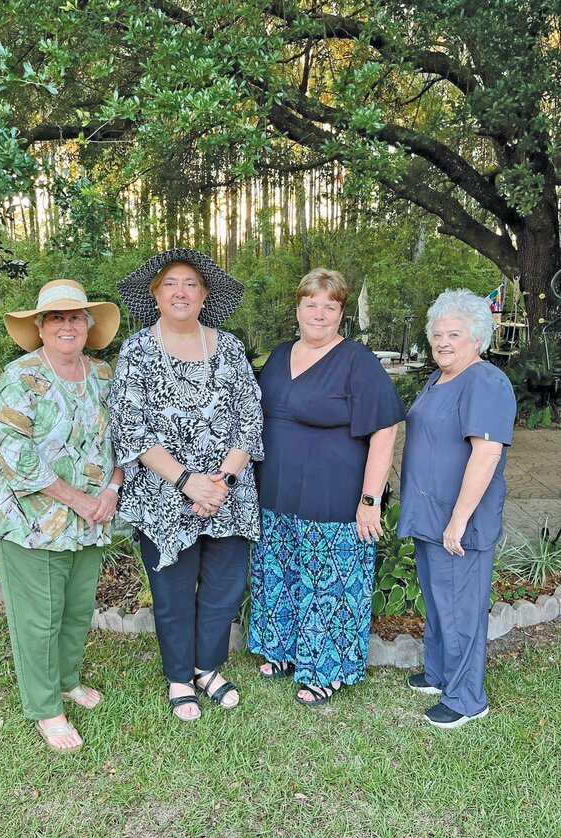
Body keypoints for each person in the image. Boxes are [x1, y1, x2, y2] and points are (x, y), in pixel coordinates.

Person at [110, 248, 263, 722]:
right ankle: (179, 676)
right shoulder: (137, 350)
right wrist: (187, 482)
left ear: (204, 296)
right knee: (173, 590)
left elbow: (250, 417)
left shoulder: (231, 348)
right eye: (170, 283)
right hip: (164, 495)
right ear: (155, 295)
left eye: (191, 284)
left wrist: (223, 481)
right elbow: (129, 427)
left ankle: (207, 667)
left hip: (228, 494)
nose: (181, 291)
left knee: (223, 587)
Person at [249, 268, 405, 706]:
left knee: (329, 584)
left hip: (333, 497)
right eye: (311, 304)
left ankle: (327, 669)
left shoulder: (357, 361)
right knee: (280, 576)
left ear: (341, 313)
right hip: (276, 495)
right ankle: (282, 651)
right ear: (297, 308)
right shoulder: (279, 356)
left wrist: (370, 500)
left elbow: (385, 431)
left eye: (330, 307)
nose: (319, 314)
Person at [0, 279, 123, 752]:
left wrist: (111, 489)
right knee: (39, 619)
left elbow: (124, 439)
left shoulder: (104, 375)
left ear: (88, 327)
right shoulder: (20, 377)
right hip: (29, 521)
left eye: (75, 318)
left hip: (92, 517)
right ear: (41, 328)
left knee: (76, 610)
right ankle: (46, 708)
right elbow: (14, 453)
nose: (67, 325)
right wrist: (80, 500)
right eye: (56, 318)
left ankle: (67, 681)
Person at [398, 288, 516, 729]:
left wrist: (459, 520)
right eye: (437, 334)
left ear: (478, 338)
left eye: (454, 334)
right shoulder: (439, 377)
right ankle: (439, 674)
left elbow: (485, 455)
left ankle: (467, 698)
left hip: (458, 520)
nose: (443, 342)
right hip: (431, 515)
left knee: (460, 607)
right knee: (437, 600)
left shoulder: (484, 381)